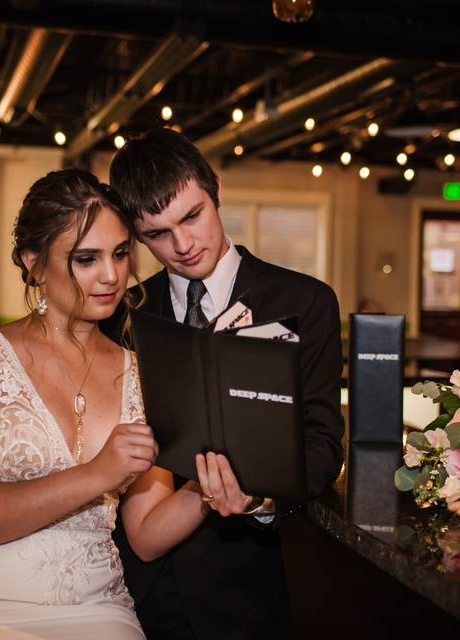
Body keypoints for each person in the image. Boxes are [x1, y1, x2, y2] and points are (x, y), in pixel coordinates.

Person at [0, 169, 217, 639]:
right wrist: (97, 473)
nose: (111, 276)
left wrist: (209, 491)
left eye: (120, 254)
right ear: (34, 263)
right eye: (86, 259)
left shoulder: (142, 374)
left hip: (97, 608)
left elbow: (147, 537)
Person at [107, 128, 344, 639]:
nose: (183, 245)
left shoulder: (306, 302)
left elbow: (323, 445)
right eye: (157, 234)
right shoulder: (122, 316)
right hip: (142, 588)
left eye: (192, 216)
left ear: (215, 187)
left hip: (253, 583)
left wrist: (259, 499)